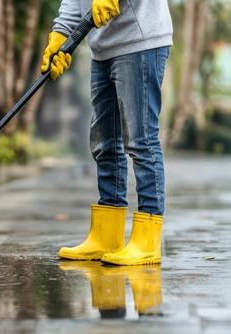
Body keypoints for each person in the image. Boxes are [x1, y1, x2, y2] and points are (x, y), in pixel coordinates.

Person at [41, 0, 173, 265]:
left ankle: (147, 242)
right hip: (101, 49)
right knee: (105, 144)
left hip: (140, 42)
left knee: (141, 141)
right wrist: (60, 35)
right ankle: (106, 236)